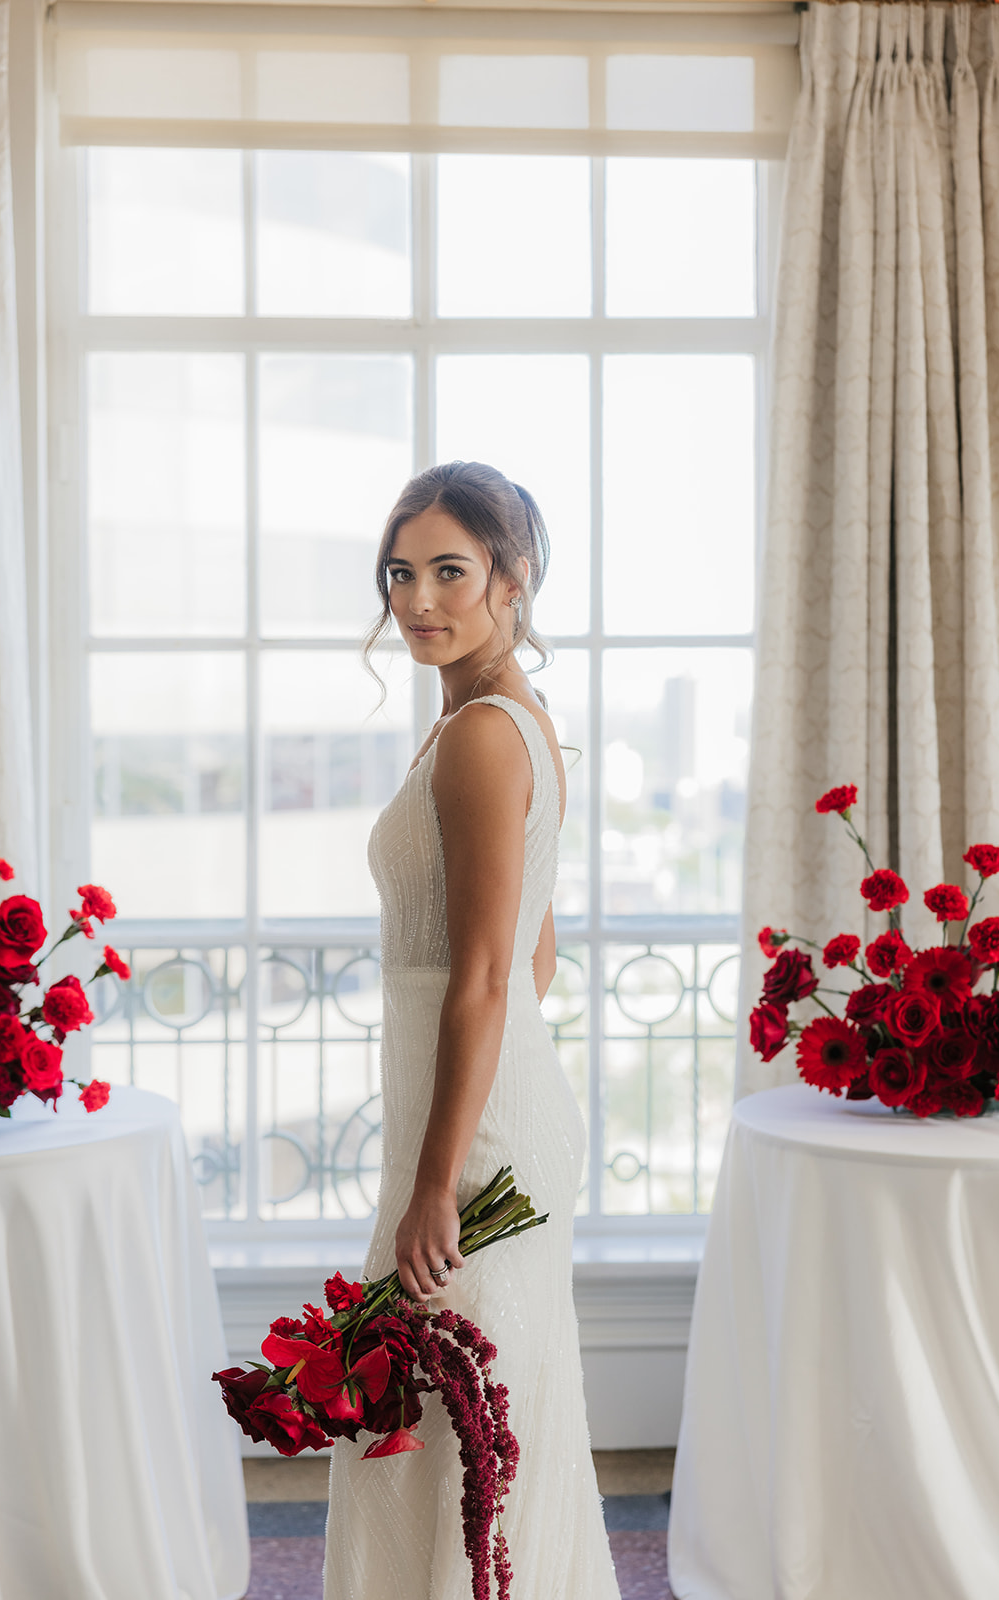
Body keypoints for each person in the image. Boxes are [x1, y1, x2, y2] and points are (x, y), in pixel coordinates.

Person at [323, 461, 621, 1599]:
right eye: (399, 573)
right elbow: (529, 950)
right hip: (489, 1109)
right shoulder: (501, 722)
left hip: (476, 1138)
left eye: (450, 569)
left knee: (442, 1436)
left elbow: (492, 973)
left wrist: (437, 1177)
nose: (415, 599)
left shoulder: (482, 736)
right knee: (460, 1429)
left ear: (515, 576)